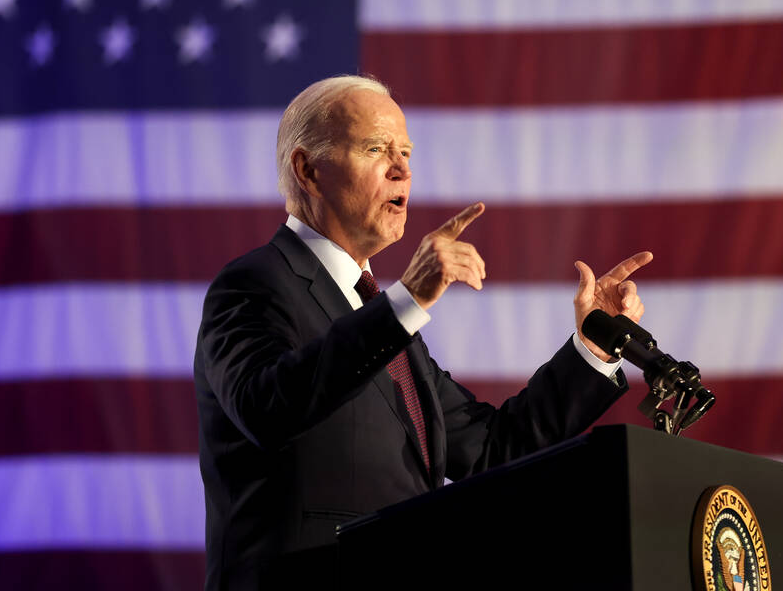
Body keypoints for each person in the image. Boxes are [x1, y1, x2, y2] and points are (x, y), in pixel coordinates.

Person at [194, 75, 652, 589]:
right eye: (376, 149)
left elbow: (490, 450)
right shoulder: (255, 283)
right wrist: (405, 302)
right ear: (308, 170)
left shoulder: (383, 319)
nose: (402, 169)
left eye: (406, 152)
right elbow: (265, 406)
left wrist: (590, 350)